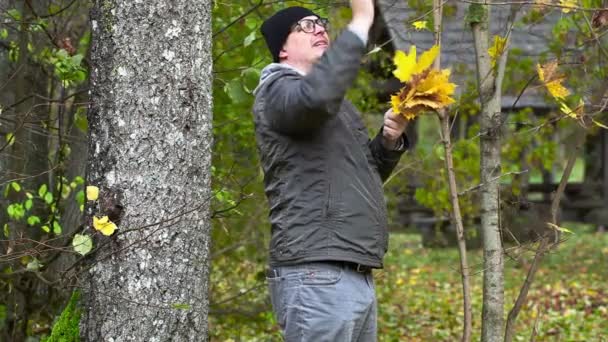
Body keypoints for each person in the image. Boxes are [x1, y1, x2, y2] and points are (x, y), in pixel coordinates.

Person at [253, 0, 411, 340]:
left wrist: (388, 139)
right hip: (316, 275)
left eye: (321, 23)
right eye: (306, 26)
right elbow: (316, 97)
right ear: (282, 47)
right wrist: (361, 21)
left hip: (352, 272)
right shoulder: (277, 90)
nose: (321, 29)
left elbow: (360, 178)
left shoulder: (331, 106)